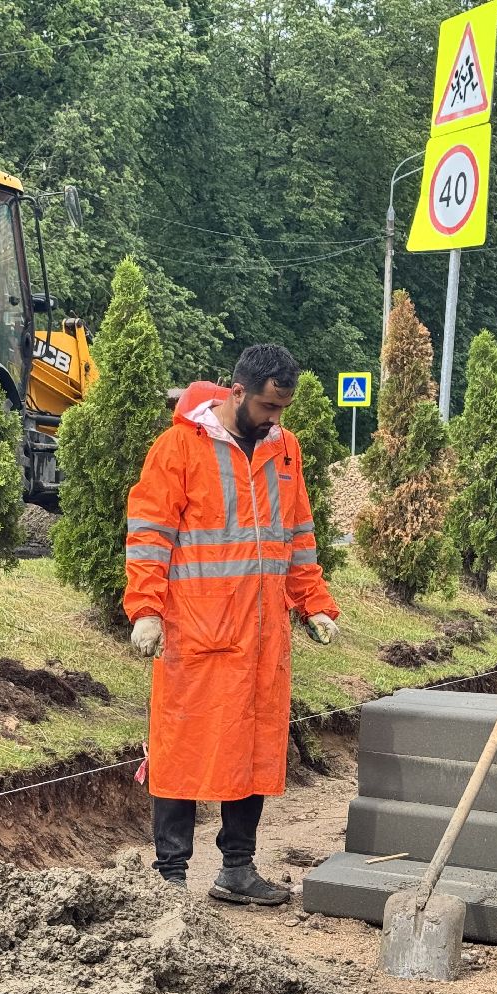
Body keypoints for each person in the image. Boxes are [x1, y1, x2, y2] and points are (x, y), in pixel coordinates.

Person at [124, 344, 341, 904]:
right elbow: (150, 535)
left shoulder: (284, 450)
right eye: (269, 406)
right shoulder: (179, 448)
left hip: (263, 636)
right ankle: (170, 877)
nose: (276, 418)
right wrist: (146, 610)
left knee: (254, 749)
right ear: (238, 391)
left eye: (283, 408)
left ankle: (237, 870)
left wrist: (313, 602)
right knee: (180, 747)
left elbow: (298, 537)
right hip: (196, 631)